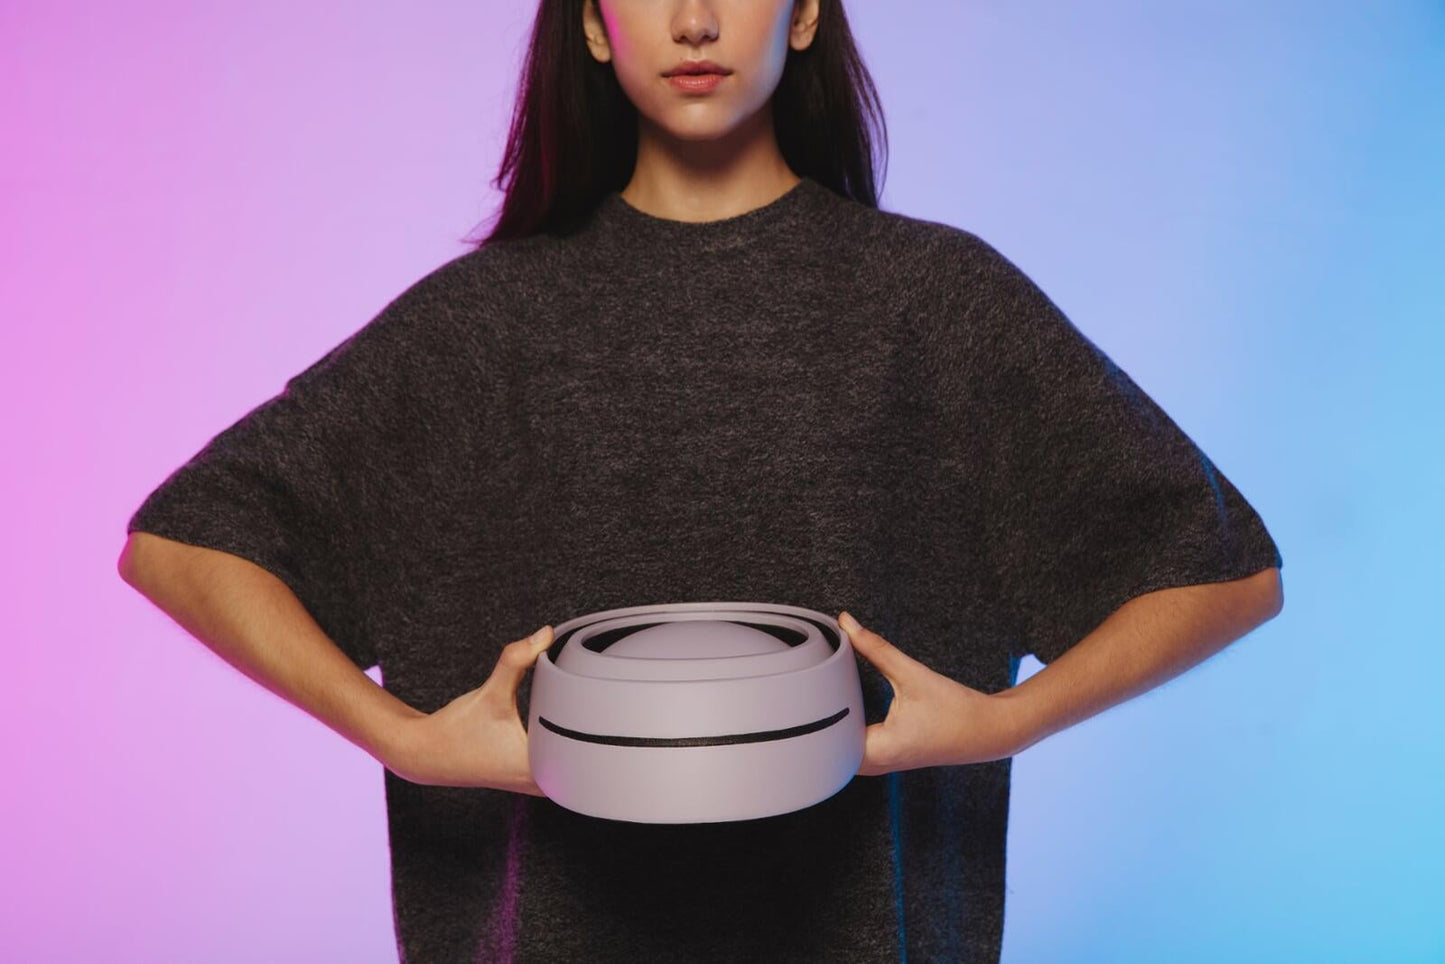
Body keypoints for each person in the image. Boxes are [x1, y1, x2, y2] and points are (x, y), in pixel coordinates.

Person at [118, 1, 1285, 961]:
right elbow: (186, 541)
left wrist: (1005, 725)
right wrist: (403, 739)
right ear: (590, 24)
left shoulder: (933, 305)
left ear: (807, 13)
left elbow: (1218, 567)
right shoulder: (477, 328)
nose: (691, 19)